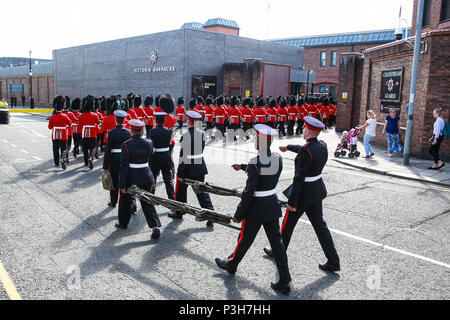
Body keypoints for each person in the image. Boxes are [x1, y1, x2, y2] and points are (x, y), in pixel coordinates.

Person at [215, 124, 291, 295]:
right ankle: (285, 280)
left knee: (245, 239)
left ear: (261, 141)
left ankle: (231, 264)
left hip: (256, 208)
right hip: (271, 204)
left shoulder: (255, 162)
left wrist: (238, 214)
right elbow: (263, 169)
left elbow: (248, 192)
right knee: (277, 244)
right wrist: (242, 166)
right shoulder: (277, 158)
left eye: (257, 139)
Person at [264, 116, 340, 273]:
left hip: (303, 194)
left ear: (310, 131)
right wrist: (288, 147)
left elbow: (298, 179)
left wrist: (292, 203)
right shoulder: (322, 145)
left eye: (304, 128)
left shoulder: (306, 152)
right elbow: (304, 148)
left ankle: (278, 251)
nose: (303, 130)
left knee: (287, 224)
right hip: (316, 191)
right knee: (320, 226)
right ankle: (333, 260)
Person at [117, 119, 161, 239]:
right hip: (146, 176)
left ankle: (123, 223)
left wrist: (122, 186)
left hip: (132, 177)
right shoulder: (149, 142)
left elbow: (124, 167)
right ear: (142, 131)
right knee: (147, 202)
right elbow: (150, 160)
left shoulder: (126, 144)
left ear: (131, 131)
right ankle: (155, 227)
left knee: (124, 200)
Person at [169, 110, 215, 227]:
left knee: (180, 190)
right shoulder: (202, 133)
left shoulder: (186, 136)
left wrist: (179, 174)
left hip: (188, 168)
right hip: (199, 165)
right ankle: (211, 214)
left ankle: (179, 211)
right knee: (201, 191)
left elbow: (183, 157)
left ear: (188, 122)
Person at [103, 110, 131, 208]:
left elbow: (108, 150)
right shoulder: (128, 132)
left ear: (116, 120)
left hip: (114, 159)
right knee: (126, 181)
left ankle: (113, 201)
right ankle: (130, 203)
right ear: (124, 120)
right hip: (125, 159)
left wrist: (105, 166)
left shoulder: (111, 133)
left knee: (114, 181)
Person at [149, 106, 175, 200]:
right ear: (164, 120)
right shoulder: (169, 131)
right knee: (168, 181)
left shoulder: (153, 131)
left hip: (156, 156)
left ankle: (151, 197)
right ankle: (172, 200)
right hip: (166, 156)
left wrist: (149, 160)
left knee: (153, 179)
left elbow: (151, 146)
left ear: (156, 120)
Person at [48, 95, 72, 170]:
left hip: (55, 135)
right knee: (63, 148)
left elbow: (50, 127)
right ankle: (63, 159)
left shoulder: (52, 117)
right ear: (62, 108)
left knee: (55, 149)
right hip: (64, 134)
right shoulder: (65, 116)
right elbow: (70, 123)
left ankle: (56, 162)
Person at [78, 96, 100, 170]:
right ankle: (91, 157)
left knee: (85, 148)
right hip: (93, 133)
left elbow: (79, 127)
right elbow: (97, 123)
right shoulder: (95, 115)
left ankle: (86, 162)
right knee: (93, 147)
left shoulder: (81, 116)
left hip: (84, 133)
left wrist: (81, 134)